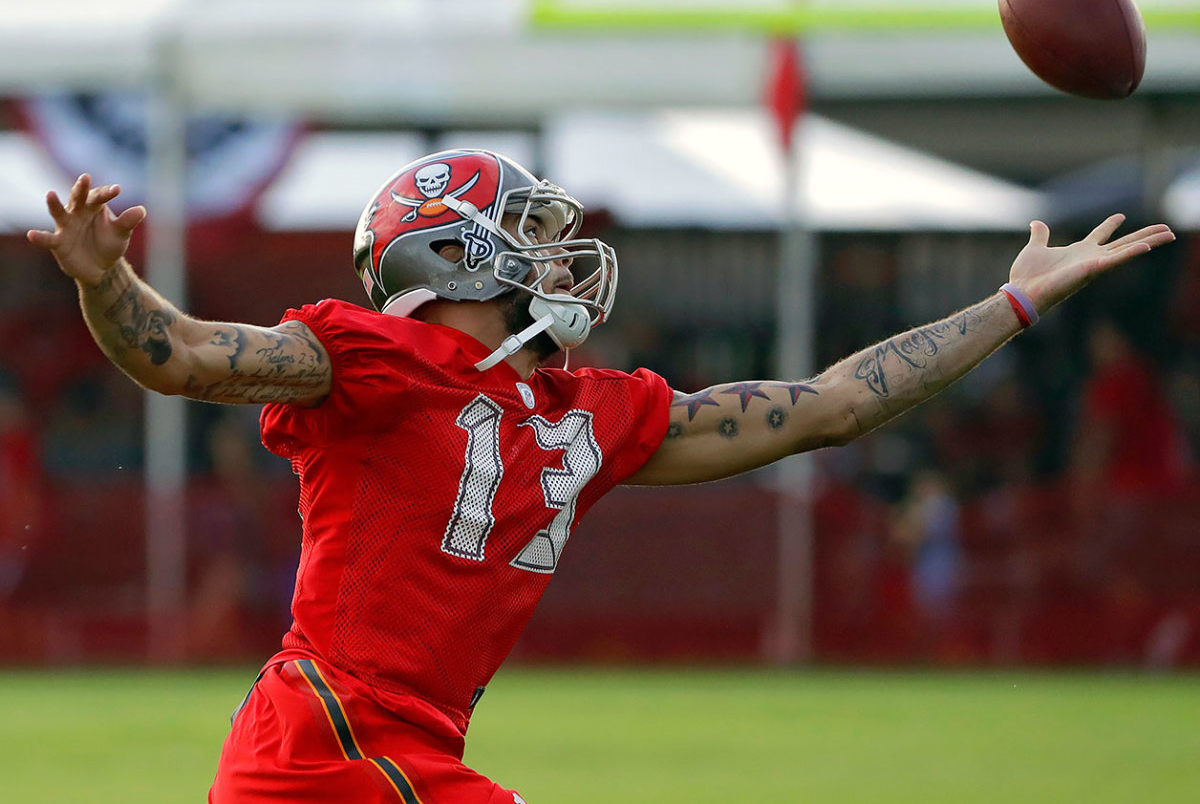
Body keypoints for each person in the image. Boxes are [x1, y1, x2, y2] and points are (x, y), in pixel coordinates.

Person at [27, 152, 1174, 803]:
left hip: (398, 749)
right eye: (525, 228)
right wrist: (100, 284)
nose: (557, 252)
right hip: (330, 743)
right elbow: (176, 355)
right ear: (454, 252)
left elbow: (834, 406)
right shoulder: (370, 355)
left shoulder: (589, 410)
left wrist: (1015, 300)